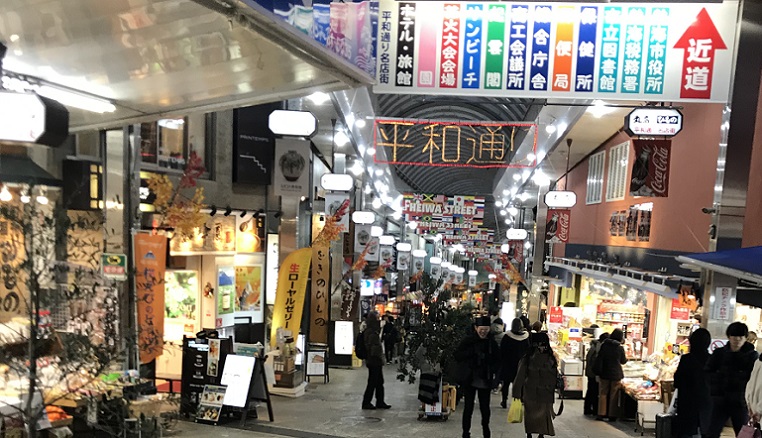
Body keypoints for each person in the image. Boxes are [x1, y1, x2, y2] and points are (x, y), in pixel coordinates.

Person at [705, 321, 758, 437]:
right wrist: (715, 389)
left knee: (743, 434)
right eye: (734, 336)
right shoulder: (719, 354)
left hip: (741, 402)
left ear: (745, 338)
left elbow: (755, 379)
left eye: (741, 336)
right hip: (720, 401)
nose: (737, 339)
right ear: (729, 337)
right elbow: (708, 372)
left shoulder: (752, 356)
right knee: (712, 432)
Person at [454, 316, 500, 438]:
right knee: (468, 408)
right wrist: (472, 354)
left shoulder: (492, 343)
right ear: (476, 328)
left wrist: (490, 364)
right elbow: (457, 355)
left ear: (489, 329)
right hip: (470, 379)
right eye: (481, 329)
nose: (483, 332)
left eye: (486, 329)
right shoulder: (468, 341)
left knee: (485, 409)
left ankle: (486, 430)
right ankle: (465, 432)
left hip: (485, 379)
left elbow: (497, 360)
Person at [513, 332, 559, 438]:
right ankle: (531, 434)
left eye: (543, 344)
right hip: (533, 393)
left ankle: (540, 434)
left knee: (540, 417)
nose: (541, 347)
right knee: (531, 416)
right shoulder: (534, 358)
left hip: (541, 393)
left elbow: (554, 376)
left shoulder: (533, 358)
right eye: (539, 344)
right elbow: (520, 376)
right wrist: (517, 394)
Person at [674, 328, 711, 438]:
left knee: (686, 432)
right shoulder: (712, 359)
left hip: (687, 402)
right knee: (705, 431)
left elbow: (677, 381)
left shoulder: (686, 359)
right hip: (706, 402)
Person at [594, 328, 627, 421]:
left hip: (604, 372)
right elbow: (623, 361)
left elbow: (600, 357)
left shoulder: (604, 345)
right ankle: (612, 415)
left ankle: (601, 413)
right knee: (614, 394)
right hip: (616, 374)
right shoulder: (619, 347)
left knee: (603, 393)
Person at [361, 311, 391, 410]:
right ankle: (367, 402)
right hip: (373, 360)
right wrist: (379, 356)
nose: (379, 320)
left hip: (374, 360)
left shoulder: (370, 330)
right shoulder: (371, 331)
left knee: (378, 382)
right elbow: (373, 347)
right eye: (377, 318)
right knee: (373, 382)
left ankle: (380, 401)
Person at [500, 318, 530, 408]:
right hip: (521, 364)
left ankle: (504, 400)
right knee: (519, 383)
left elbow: (502, 350)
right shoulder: (525, 337)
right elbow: (528, 351)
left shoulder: (507, 336)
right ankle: (518, 400)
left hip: (508, 364)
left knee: (506, 383)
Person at [584, 332, 609, 416]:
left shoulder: (594, 346)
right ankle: (594, 410)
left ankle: (588, 409)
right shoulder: (598, 348)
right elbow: (595, 361)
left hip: (590, 372)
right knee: (594, 391)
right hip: (593, 373)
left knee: (591, 391)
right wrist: (597, 373)